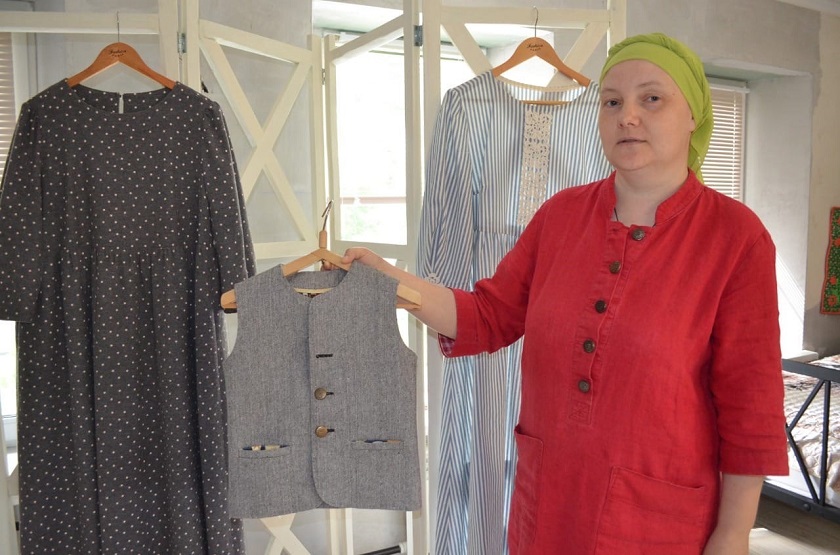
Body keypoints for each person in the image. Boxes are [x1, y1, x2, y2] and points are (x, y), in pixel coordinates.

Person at [332, 33, 789, 554]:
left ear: (693, 115)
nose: (627, 116)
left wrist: (733, 534)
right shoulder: (560, 216)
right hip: (547, 508)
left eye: (651, 98)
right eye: (612, 102)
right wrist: (393, 282)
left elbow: (751, 407)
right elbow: (488, 315)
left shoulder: (735, 238)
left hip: (658, 523)